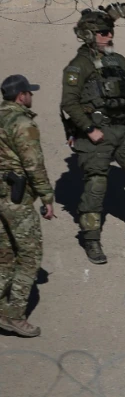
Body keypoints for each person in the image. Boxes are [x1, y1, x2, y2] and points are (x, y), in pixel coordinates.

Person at [60, 4, 125, 264]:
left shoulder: (118, 61)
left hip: (124, 132)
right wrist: (89, 129)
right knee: (97, 185)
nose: (109, 36)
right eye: (102, 32)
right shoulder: (78, 66)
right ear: (89, 35)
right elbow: (70, 103)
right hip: (96, 134)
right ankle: (91, 238)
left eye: (110, 31)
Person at [0, 75, 55, 337]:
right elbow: (33, 164)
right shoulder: (22, 122)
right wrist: (46, 197)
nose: (31, 97)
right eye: (29, 93)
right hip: (16, 199)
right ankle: (14, 315)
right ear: (21, 95)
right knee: (30, 257)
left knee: (5, 256)